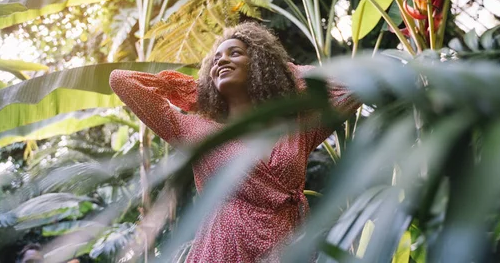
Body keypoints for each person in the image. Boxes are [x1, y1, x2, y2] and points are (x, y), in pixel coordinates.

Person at [109, 22, 358, 262]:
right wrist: (197, 91)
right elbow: (120, 80)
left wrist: (286, 72)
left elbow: (351, 88)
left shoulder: (296, 126)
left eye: (235, 53)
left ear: (261, 65)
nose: (222, 61)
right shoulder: (195, 130)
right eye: (216, 60)